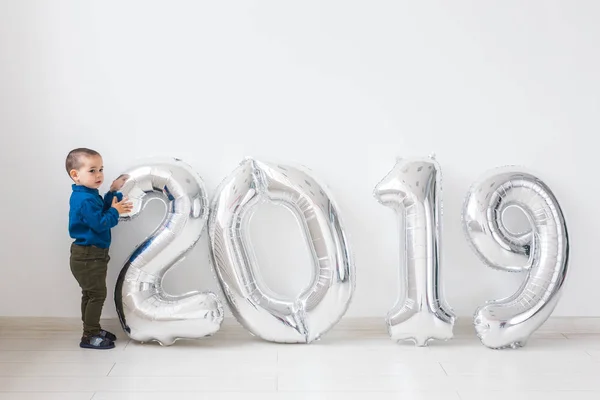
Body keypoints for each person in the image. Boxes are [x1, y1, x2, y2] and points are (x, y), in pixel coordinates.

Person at [65, 148, 132, 349]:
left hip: (92, 254)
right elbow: (101, 222)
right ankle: (89, 335)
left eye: (101, 169)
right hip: (88, 256)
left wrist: (112, 192)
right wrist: (115, 210)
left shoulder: (88, 193)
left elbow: (100, 211)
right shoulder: (84, 199)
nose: (99, 175)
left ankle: (92, 328)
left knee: (90, 294)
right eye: (92, 170)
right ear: (75, 175)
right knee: (96, 295)